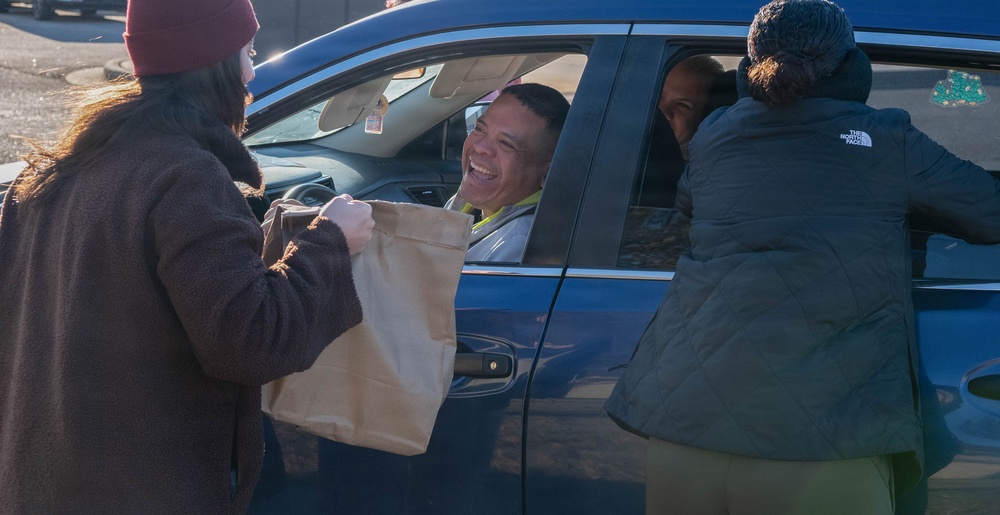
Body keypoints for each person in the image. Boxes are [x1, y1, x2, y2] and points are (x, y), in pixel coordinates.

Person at [605, 0, 1000, 513]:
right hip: (824, 441)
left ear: (750, 71)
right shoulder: (886, 140)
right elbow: (988, 213)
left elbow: (690, 203)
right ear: (850, 68)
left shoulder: (714, 136)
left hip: (686, 430)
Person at [0, 0, 374, 512]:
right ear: (211, 62)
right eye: (246, 52)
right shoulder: (186, 178)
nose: (251, 73)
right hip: (140, 491)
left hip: (44, 484)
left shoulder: (50, 172)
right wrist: (329, 239)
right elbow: (252, 340)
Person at [445, 83, 570, 262]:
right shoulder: (474, 200)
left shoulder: (517, 248)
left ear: (547, 173)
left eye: (506, 143)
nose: (480, 147)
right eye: (479, 129)